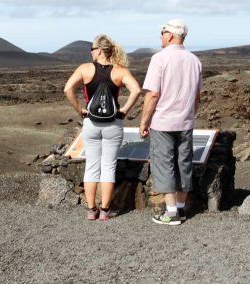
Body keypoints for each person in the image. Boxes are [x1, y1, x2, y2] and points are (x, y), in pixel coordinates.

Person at [64, 34, 141, 221]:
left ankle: (91, 210)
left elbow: (68, 89)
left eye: (92, 49)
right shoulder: (120, 71)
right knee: (108, 166)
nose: (90, 52)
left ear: (99, 50)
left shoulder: (85, 69)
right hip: (113, 124)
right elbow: (137, 90)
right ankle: (105, 210)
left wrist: (80, 110)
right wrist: (124, 110)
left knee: (92, 165)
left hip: (91, 122)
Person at [140, 19, 203, 225]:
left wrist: (144, 122)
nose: (160, 37)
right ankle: (182, 209)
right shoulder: (195, 60)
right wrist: (190, 114)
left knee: (164, 164)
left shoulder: (159, 59)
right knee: (183, 164)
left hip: (163, 123)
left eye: (162, 33)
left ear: (169, 35)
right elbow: (196, 95)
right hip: (186, 122)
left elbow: (152, 95)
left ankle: (171, 212)